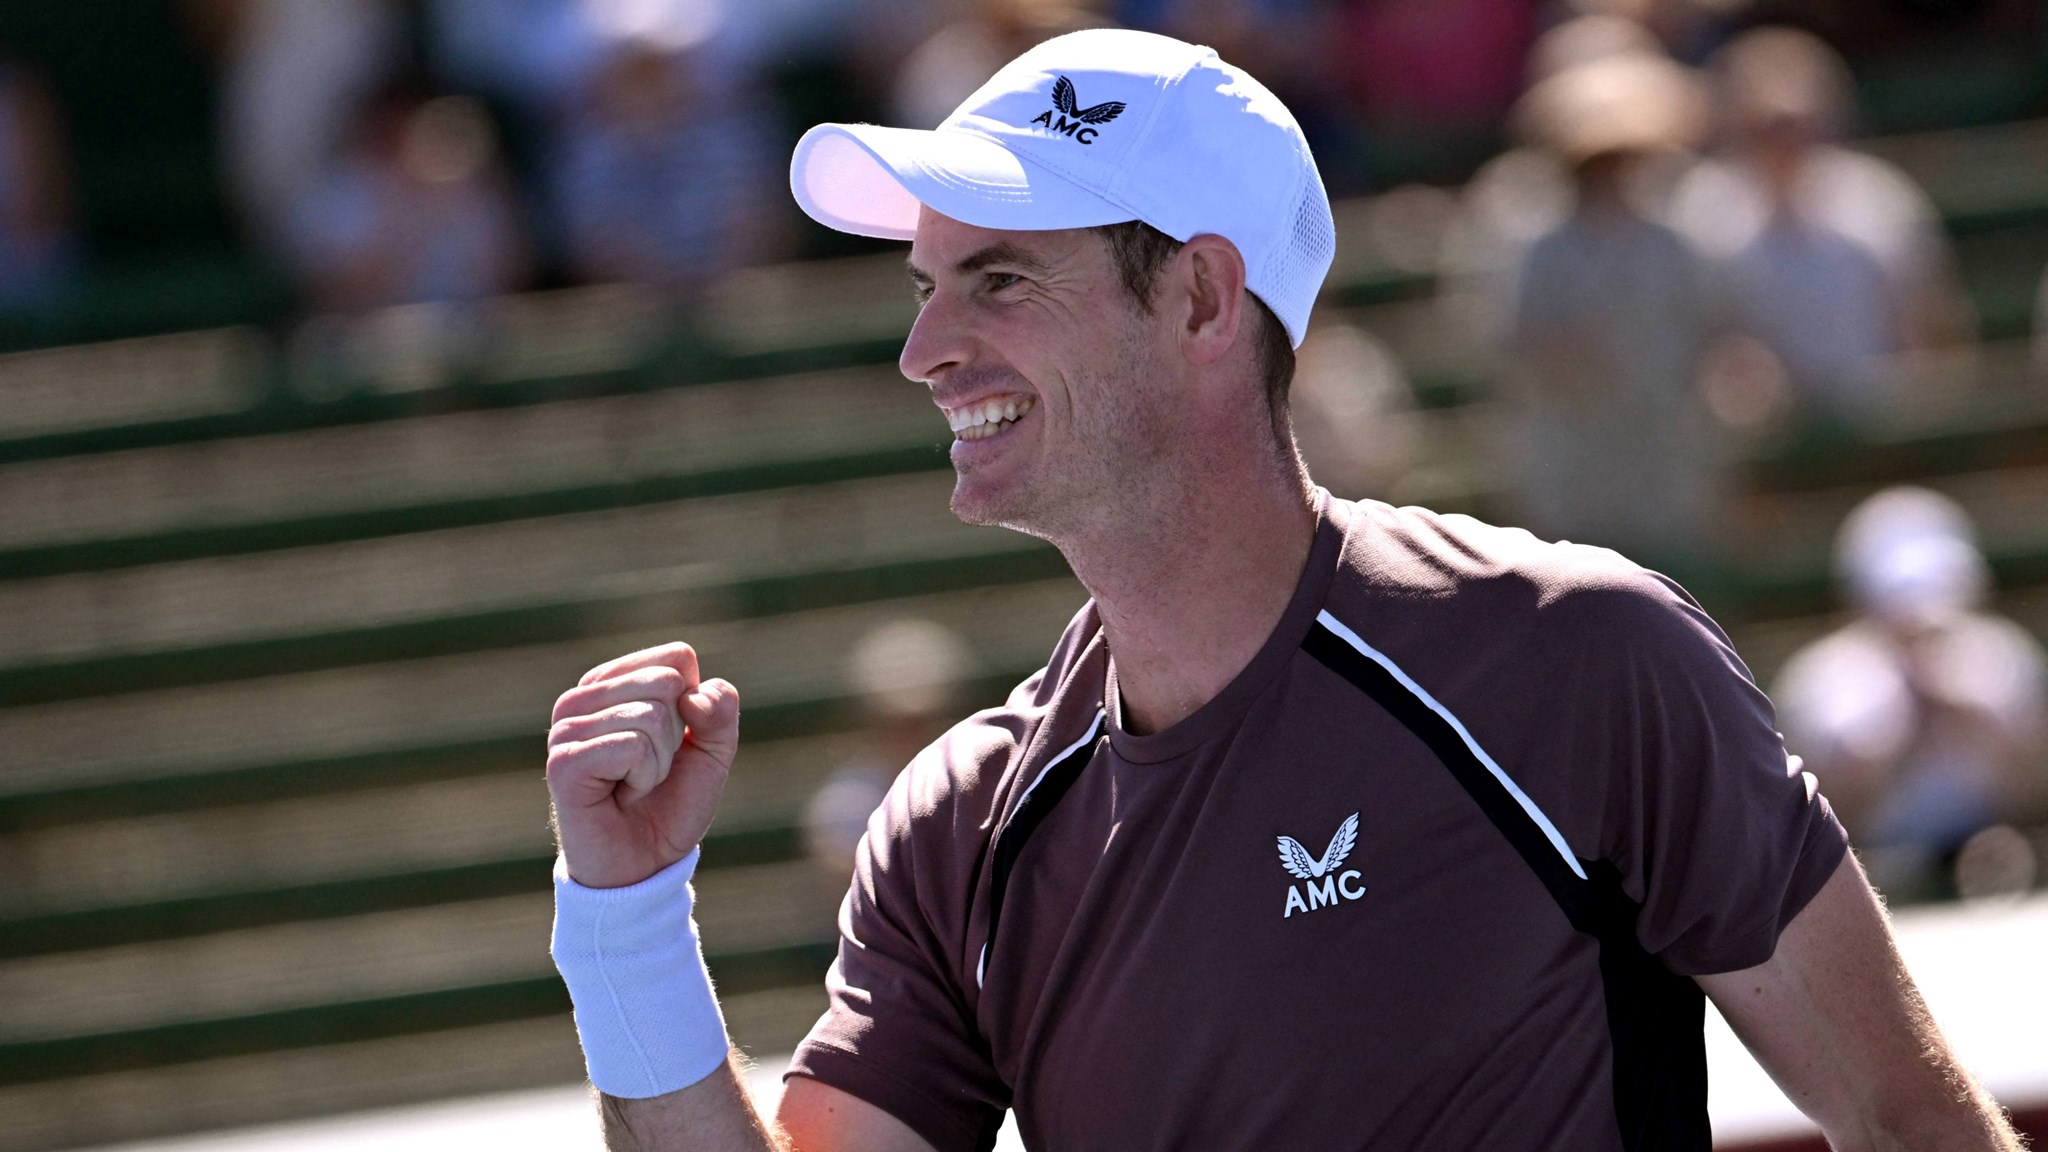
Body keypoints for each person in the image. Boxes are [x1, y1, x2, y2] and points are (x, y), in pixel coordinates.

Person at [543, 28, 2025, 1151]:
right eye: (923, 287)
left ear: (1197, 294)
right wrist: (625, 924)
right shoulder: (954, 828)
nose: (924, 350)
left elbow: (1913, 1126)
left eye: (995, 281)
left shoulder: (1579, 657)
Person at [1774, 487, 2048, 900]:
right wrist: (1900, 730)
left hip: (1999, 877)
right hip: (1874, 887)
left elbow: (2032, 794)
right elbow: (1809, 823)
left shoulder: (2006, 656)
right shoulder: (1822, 681)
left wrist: (1969, 717)